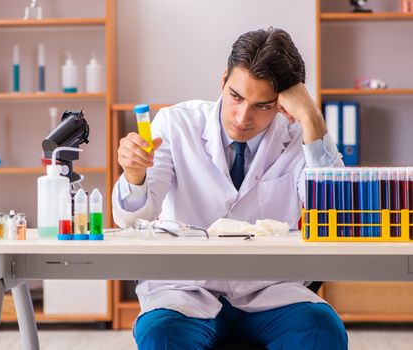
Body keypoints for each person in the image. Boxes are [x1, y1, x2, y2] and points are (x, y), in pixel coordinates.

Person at [112, 27, 347, 350]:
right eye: (235, 96)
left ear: (282, 104)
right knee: (162, 337)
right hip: (186, 289)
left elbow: (339, 214)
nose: (241, 117)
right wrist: (134, 175)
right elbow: (133, 218)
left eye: (262, 105)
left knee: (322, 331)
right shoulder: (175, 124)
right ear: (223, 80)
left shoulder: (299, 137)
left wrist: (311, 116)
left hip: (270, 292)